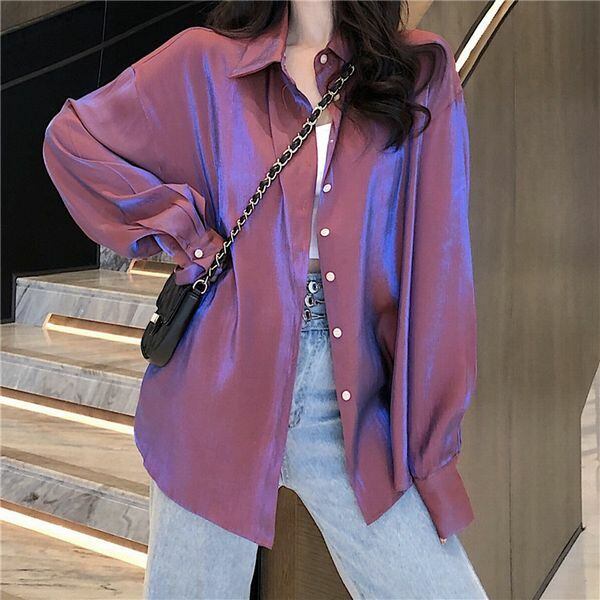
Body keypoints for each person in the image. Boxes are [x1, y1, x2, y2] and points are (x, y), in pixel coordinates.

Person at [42, 1, 487, 598]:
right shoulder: (207, 62)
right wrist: (187, 234)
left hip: (352, 399)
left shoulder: (416, 72)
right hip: (217, 383)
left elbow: (441, 269)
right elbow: (72, 141)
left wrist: (430, 449)